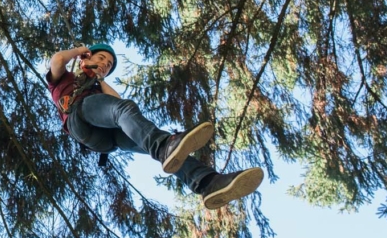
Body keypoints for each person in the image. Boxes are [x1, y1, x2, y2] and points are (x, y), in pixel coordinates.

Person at [46, 43, 263, 210]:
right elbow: (57, 60)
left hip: (106, 141)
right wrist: (81, 51)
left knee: (165, 148)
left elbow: (117, 102)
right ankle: (165, 146)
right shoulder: (65, 78)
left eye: (109, 64)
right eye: (101, 58)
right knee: (150, 133)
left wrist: (100, 77)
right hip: (78, 117)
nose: (105, 63)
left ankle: (207, 182)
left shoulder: (98, 88)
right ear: (87, 57)